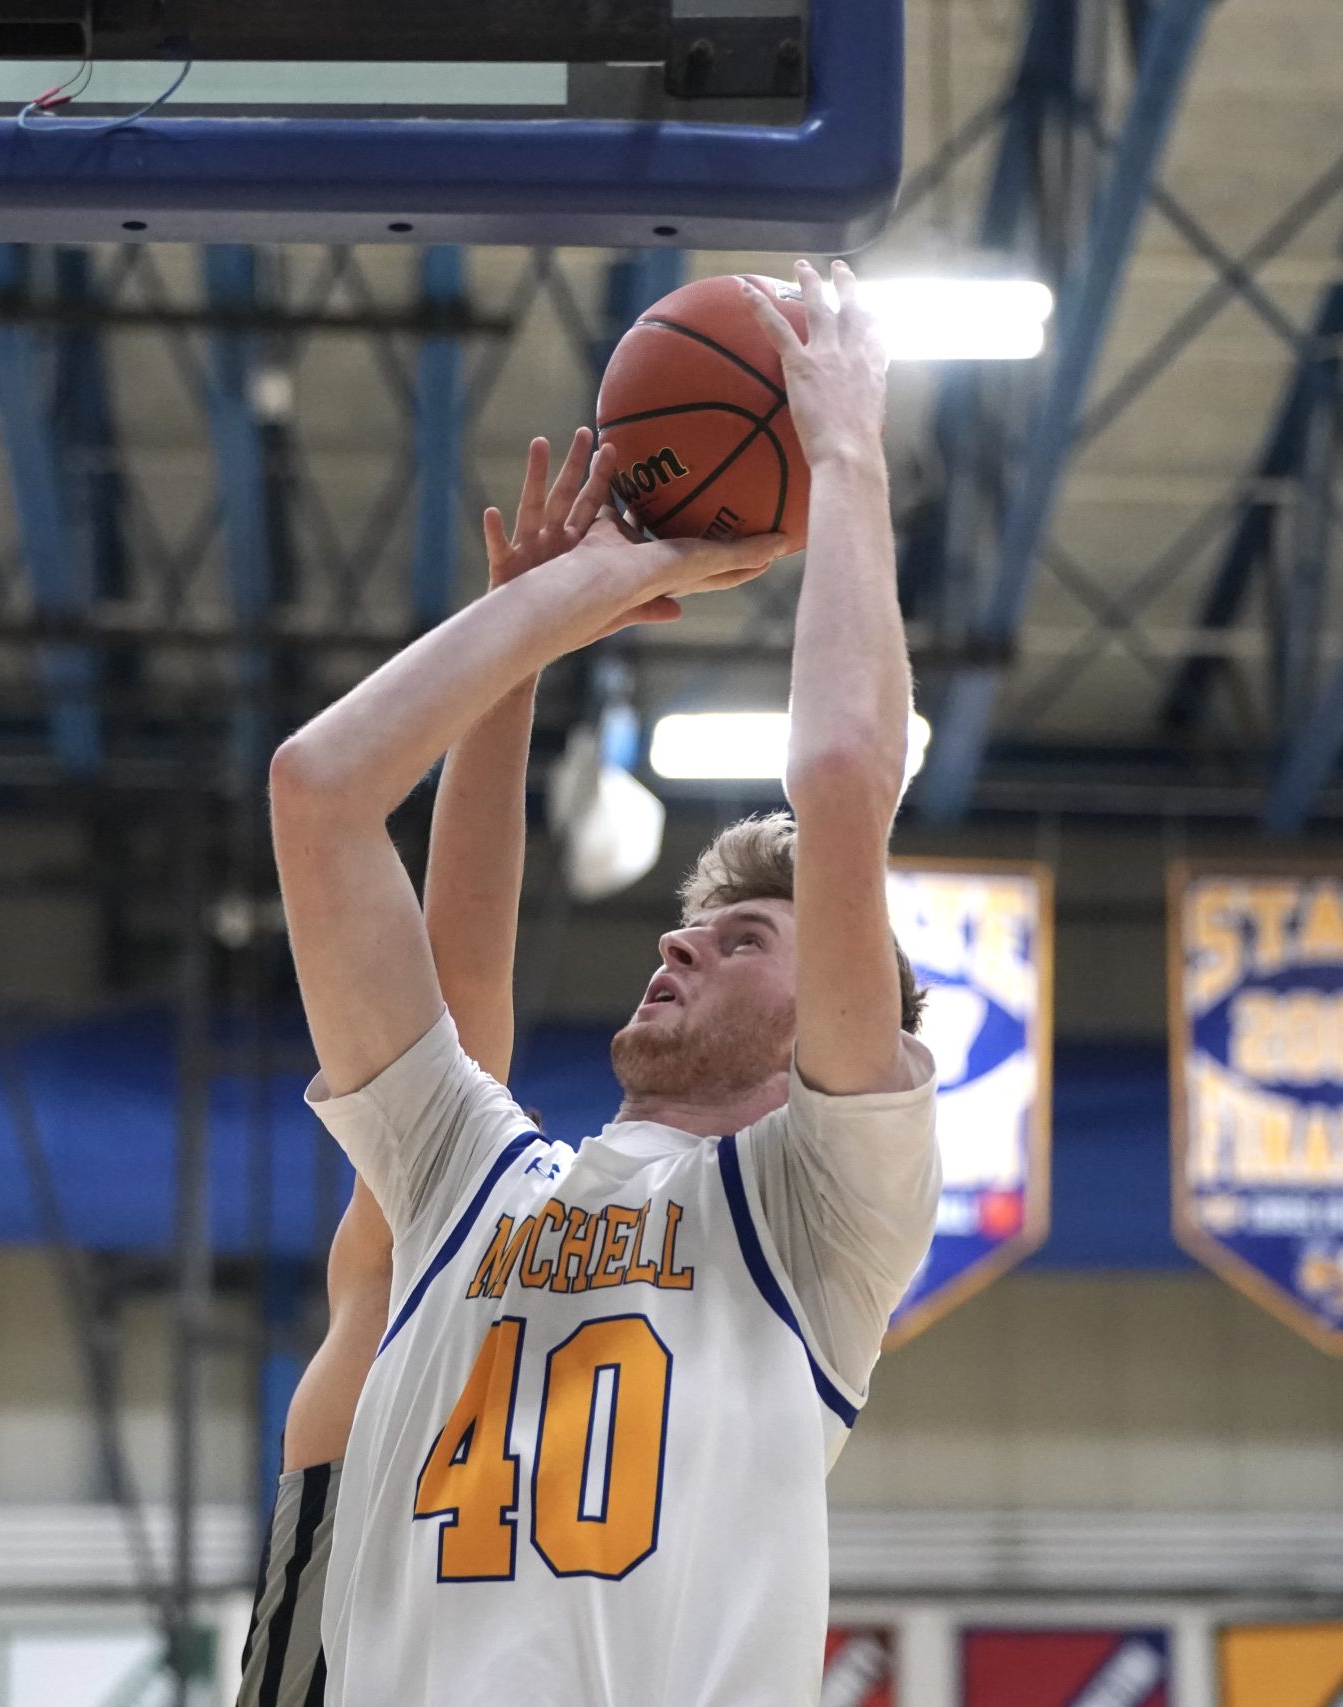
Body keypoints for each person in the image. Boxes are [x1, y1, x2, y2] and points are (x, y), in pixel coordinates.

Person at [270, 259, 937, 1706]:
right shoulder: (467, 1185)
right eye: (695, 928)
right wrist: (565, 602)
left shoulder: (818, 1216)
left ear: (828, 1022)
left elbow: (840, 775)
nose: (679, 942)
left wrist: (842, 450)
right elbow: (319, 792)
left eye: (745, 939)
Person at [238, 428, 619, 1707]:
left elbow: (463, 1010)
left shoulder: (665, 1269)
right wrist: (516, 650)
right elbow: (461, 992)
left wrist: (525, 639)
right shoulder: (409, 1257)